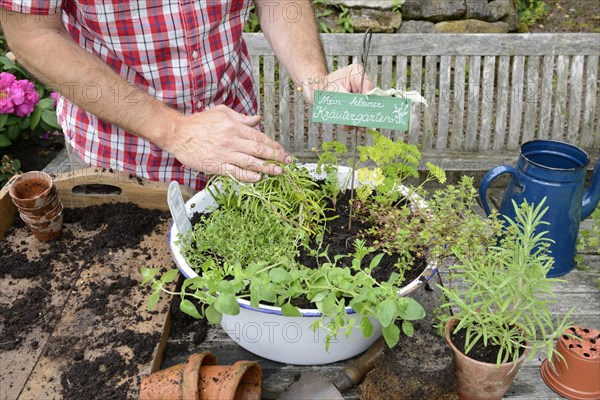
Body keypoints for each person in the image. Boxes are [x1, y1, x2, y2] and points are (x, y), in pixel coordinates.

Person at [0, 0, 374, 190]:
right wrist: (174, 130)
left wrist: (315, 79)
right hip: (121, 158)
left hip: (234, 139)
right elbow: (31, 34)